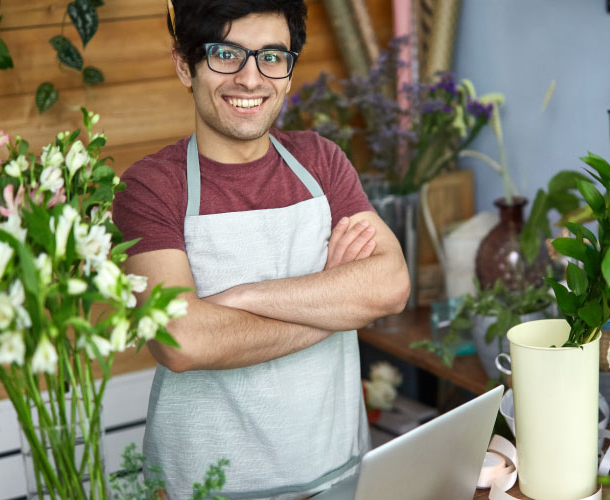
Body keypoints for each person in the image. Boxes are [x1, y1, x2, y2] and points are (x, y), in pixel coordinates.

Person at [112, 1, 411, 498]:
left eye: (272, 57)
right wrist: (337, 304)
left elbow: (391, 286)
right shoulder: (151, 188)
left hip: (338, 470)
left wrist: (238, 299)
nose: (251, 79)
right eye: (226, 54)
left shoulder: (321, 161)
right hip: (205, 485)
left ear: (289, 72)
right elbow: (181, 343)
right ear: (185, 66)